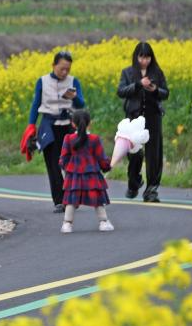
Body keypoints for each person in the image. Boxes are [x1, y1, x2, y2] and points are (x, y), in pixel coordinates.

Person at [21, 51, 86, 213]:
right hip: (49, 125)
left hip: (68, 126)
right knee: (53, 164)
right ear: (53, 65)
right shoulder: (42, 81)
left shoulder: (73, 81)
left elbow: (81, 104)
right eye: (61, 68)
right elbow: (36, 104)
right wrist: (31, 125)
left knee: (71, 163)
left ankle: (73, 196)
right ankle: (60, 201)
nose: (65, 72)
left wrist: (74, 97)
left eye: (68, 69)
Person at [115, 41, 169, 202]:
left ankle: (151, 190)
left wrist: (155, 90)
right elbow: (121, 91)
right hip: (134, 117)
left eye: (147, 57)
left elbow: (166, 93)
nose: (144, 61)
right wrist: (138, 85)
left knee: (154, 154)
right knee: (133, 152)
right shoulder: (128, 72)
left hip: (153, 116)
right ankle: (134, 182)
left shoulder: (157, 72)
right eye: (141, 57)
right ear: (136, 57)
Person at [59, 110, 114, 233]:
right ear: (90, 123)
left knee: (71, 200)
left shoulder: (68, 138)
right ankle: (103, 222)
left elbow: (63, 159)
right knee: (97, 199)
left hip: (74, 175)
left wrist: (68, 171)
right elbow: (101, 158)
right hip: (92, 174)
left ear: (73, 124)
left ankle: (67, 224)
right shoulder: (94, 139)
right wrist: (107, 166)